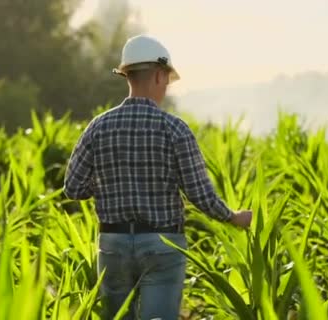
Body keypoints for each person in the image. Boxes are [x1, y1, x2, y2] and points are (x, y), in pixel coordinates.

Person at [63, 34, 252, 320]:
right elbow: (199, 193)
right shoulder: (174, 129)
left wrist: (108, 185)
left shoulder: (98, 127)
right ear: (159, 76)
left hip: (112, 243)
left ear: (127, 75)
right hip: (162, 244)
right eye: (166, 79)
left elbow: (73, 188)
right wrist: (233, 217)